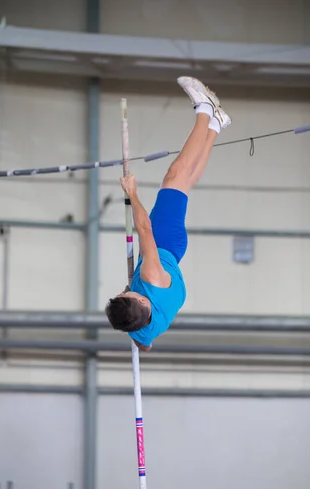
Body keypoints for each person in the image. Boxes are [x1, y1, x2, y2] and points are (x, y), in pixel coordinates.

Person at [106, 76, 231, 351]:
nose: (125, 290)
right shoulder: (150, 279)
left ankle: (216, 125)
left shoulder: (146, 328)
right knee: (174, 175)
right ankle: (205, 110)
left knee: (184, 182)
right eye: (126, 293)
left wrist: (135, 336)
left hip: (174, 253)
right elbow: (144, 229)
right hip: (164, 240)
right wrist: (132, 193)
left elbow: (145, 345)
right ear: (142, 301)